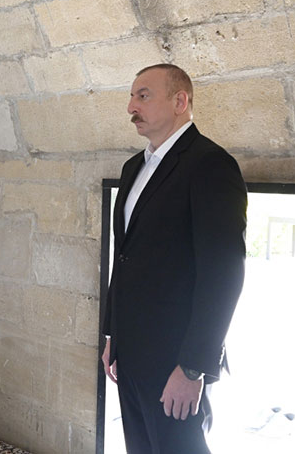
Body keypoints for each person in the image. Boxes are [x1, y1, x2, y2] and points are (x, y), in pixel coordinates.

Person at [101, 64, 247, 453]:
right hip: (131, 352)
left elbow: (223, 275)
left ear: (180, 101)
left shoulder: (211, 165)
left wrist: (193, 367)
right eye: (132, 97)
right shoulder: (133, 167)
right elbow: (125, 257)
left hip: (176, 359)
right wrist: (113, 335)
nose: (131, 107)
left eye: (143, 95)